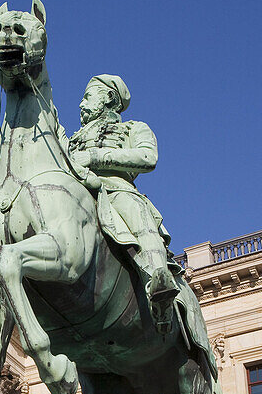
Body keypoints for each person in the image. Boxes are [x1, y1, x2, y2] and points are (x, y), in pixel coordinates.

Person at [69, 74, 180, 328]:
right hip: (76, 193)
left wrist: (95, 157)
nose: (81, 104)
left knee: (135, 213)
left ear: (109, 97)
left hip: (116, 191)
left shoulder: (133, 128)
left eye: (87, 96)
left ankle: (158, 286)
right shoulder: (72, 139)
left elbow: (147, 157)